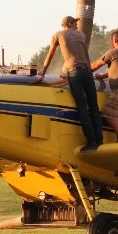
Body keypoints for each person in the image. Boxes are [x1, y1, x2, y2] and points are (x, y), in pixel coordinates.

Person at [38, 16, 103, 150]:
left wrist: (43, 71)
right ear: (70, 23)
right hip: (87, 72)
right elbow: (77, 52)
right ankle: (100, 142)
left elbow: (51, 54)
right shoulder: (81, 35)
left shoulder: (58, 35)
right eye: (75, 22)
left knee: (82, 107)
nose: (77, 25)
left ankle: (92, 143)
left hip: (75, 73)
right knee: (94, 107)